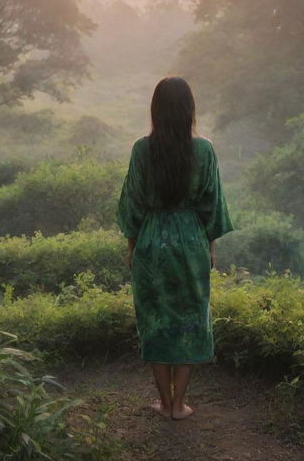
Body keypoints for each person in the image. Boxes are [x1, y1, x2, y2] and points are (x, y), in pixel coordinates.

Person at [117, 76, 234, 420]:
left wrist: (132, 246)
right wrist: (209, 246)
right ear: (189, 109)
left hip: (152, 240)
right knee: (189, 318)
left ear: (156, 109)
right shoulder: (204, 149)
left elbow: (133, 206)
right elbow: (212, 205)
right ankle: (179, 405)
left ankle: (163, 403)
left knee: (155, 320)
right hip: (190, 240)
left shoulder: (142, 148)